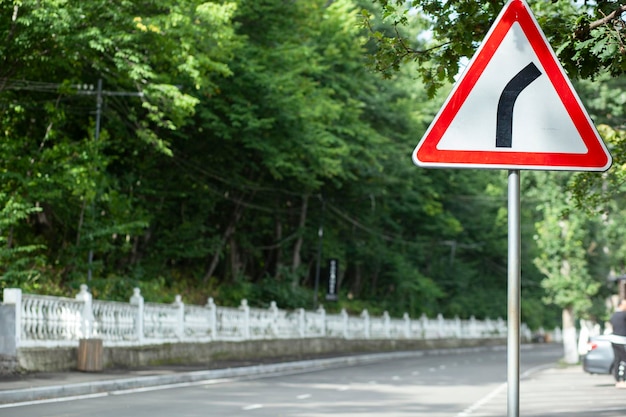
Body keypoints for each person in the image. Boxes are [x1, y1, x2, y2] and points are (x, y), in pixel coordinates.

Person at [609, 299, 626, 388]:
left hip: (614, 339)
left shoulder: (613, 315)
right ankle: (622, 379)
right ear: (620, 305)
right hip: (621, 340)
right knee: (624, 360)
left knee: (617, 360)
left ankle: (618, 380)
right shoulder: (623, 315)